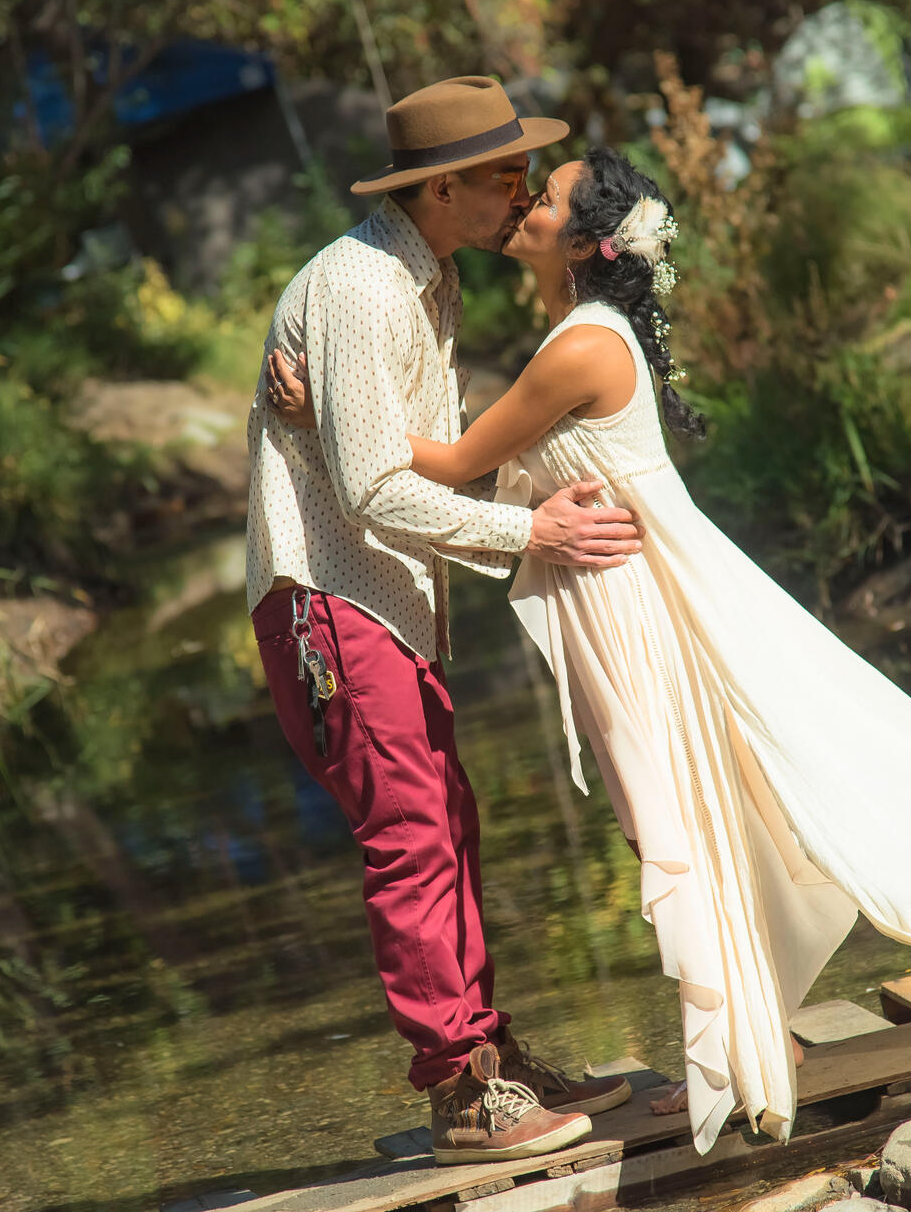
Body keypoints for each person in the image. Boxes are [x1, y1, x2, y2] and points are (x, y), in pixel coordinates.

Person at [266, 147, 911, 1156]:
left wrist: (336, 418)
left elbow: (462, 460)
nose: (524, 199)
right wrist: (342, 414)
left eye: (545, 194)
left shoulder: (581, 346)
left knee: (684, 822)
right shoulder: (557, 329)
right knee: (683, 824)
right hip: (613, 603)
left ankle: (735, 1060)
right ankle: (737, 1058)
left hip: (642, 608)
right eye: (518, 182)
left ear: (586, 241)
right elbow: (470, 460)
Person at [245, 77, 645, 1166]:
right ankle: (462, 1093)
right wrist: (532, 537)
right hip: (332, 604)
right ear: (441, 188)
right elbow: (376, 488)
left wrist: (522, 526)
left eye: (525, 172)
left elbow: (434, 461)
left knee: (448, 825)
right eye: (504, 175)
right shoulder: (364, 289)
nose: (521, 192)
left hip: (387, 604)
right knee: (412, 842)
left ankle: (489, 1056)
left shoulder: (429, 281)